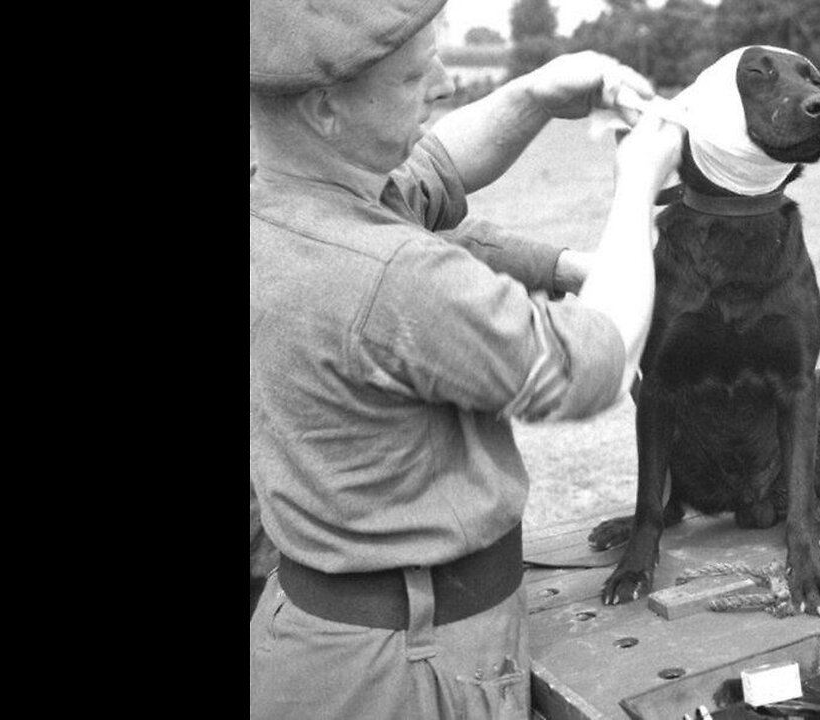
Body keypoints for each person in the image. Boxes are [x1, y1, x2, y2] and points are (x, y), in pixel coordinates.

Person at [249, 0, 686, 717]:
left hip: (330, 642)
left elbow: (436, 166)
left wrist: (533, 93)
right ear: (326, 108)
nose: (446, 84)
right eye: (414, 76)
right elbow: (591, 363)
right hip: (404, 670)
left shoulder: (286, 205)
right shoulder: (385, 274)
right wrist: (637, 185)